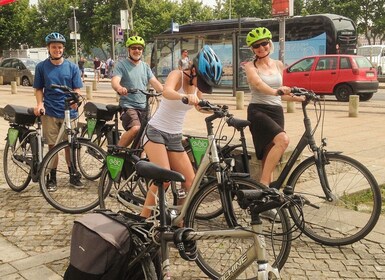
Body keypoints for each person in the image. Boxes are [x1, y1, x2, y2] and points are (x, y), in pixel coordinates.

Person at [139, 45, 223, 218]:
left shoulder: (197, 86)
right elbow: (167, 91)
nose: (202, 86)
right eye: (202, 81)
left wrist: (216, 110)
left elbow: (199, 106)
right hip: (156, 132)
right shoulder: (177, 75)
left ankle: (179, 221)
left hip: (175, 137)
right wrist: (183, 97)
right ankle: (143, 220)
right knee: (164, 180)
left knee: (190, 182)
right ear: (193, 70)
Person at [244, 27, 305, 188]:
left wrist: (302, 98)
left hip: (276, 112)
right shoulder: (250, 66)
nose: (261, 48)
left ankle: (264, 194)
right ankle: (264, 184)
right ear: (253, 49)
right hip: (258, 111)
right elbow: (258, 84)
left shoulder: (278, 65)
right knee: (283, 140)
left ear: (270, 44)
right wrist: (275, 91)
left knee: (269, 154)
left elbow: (283, 94)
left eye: (264, 43)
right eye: (256, 46)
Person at [33, 32, 83, 192]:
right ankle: (51, 177)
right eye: (54, 47)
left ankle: (73, 174)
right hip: (51, 111)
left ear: (63, 49)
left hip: (70, 112)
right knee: (53, 146)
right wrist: (40, 103)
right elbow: (38, 88)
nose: (57, 50)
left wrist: (76, 99)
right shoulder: (41, 67)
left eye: (60, 47)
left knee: (70, 145)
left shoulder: (72, 67)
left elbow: (77, 89)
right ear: (48, 48)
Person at [111, 35, 163, 148]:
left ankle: (139, 160)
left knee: (148, 134)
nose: (137, 50)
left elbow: (155, 82)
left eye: (139, 48)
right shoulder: (122, 65)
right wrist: (119, 88)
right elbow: (115, 81)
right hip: (128, 106)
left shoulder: (145, 67)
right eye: (134, 48)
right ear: (128, 50)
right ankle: (115, 155)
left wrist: (166, 92)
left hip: (144, 107)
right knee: (136, 129)